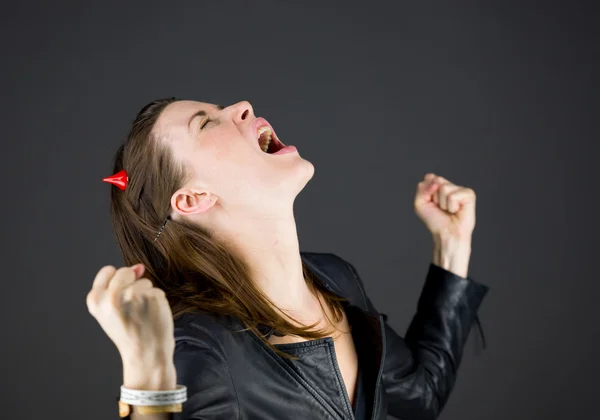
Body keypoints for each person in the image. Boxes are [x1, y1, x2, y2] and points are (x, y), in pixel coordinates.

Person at [86, 98, 489, 420]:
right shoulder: (201, 349)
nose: (241, 105)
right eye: (205, 123)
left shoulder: (335, 279)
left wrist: (452, 244)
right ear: (193, 199)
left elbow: (421, 394)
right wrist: (147, 371)